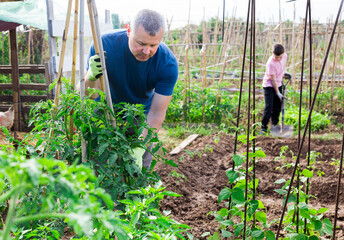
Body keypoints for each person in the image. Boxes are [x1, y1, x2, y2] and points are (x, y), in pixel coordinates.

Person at [80, 9, 179, 168]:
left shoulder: (167, 63)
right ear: (128, 30)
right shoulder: (104, 45)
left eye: (153, 45)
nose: (146, 51)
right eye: (141, 43)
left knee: (138, 173)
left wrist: (140, 146)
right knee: (98, 168)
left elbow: (156, 113)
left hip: (139, 117)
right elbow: (89, 94)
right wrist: (90, 77)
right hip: (104, 112)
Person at [260, 43, 287, 135]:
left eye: (280, 57)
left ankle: (275, 127)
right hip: (269, 86)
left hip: (278, 84)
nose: (278, 59)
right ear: (273, 54)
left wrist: (284, 74)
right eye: (276, 57)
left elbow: (282, 67)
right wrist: (278, 92)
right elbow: (273, 80)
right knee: (269, 107)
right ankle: (263, 128)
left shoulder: (284, 56)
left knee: (277, 107)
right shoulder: (270, 63)